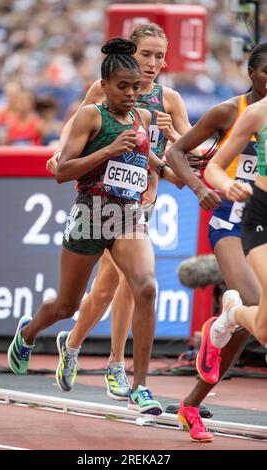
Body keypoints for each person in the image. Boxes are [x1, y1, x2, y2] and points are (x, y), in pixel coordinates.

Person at [46, 23, 219, 402]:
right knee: (111, 286)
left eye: (160, 56)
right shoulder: (104, 88)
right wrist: (61, 155)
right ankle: (91, 354)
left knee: (128, 286)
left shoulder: (169, 99)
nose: (153, 63)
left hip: (144, 201)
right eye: (146, 55)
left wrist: (173, 134)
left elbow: (191, 154)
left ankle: (98, 357)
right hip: (104, 200)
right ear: (129, 54)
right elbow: (72, 126)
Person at [7, 37, 180, 415]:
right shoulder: (91, 116)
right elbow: (63, 171)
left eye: (136, 87)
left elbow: (147, 154)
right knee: (67, 305)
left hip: (128, 216)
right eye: (123, 87)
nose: (132, 94)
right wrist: (106, 150)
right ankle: (29, 333)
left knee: (146, 287)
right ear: (105, 86)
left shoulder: (144, 117)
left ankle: (141, 386)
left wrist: (168, 171)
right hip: (89, 215)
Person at [166, 42, 267, 442]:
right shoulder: (233, 111)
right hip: (232, 221)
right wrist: (200, 188)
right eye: (265, 73)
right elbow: (177, 152)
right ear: (251, 74)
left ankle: (191, 405)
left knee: (251, 325)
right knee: (255, 302)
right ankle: (231, 310)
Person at [198, 94, 267, 385]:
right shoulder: (257, 113)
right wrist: (228, 184)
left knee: (263, 331)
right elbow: (214, 167)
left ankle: (232, 313)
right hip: (260, 216)